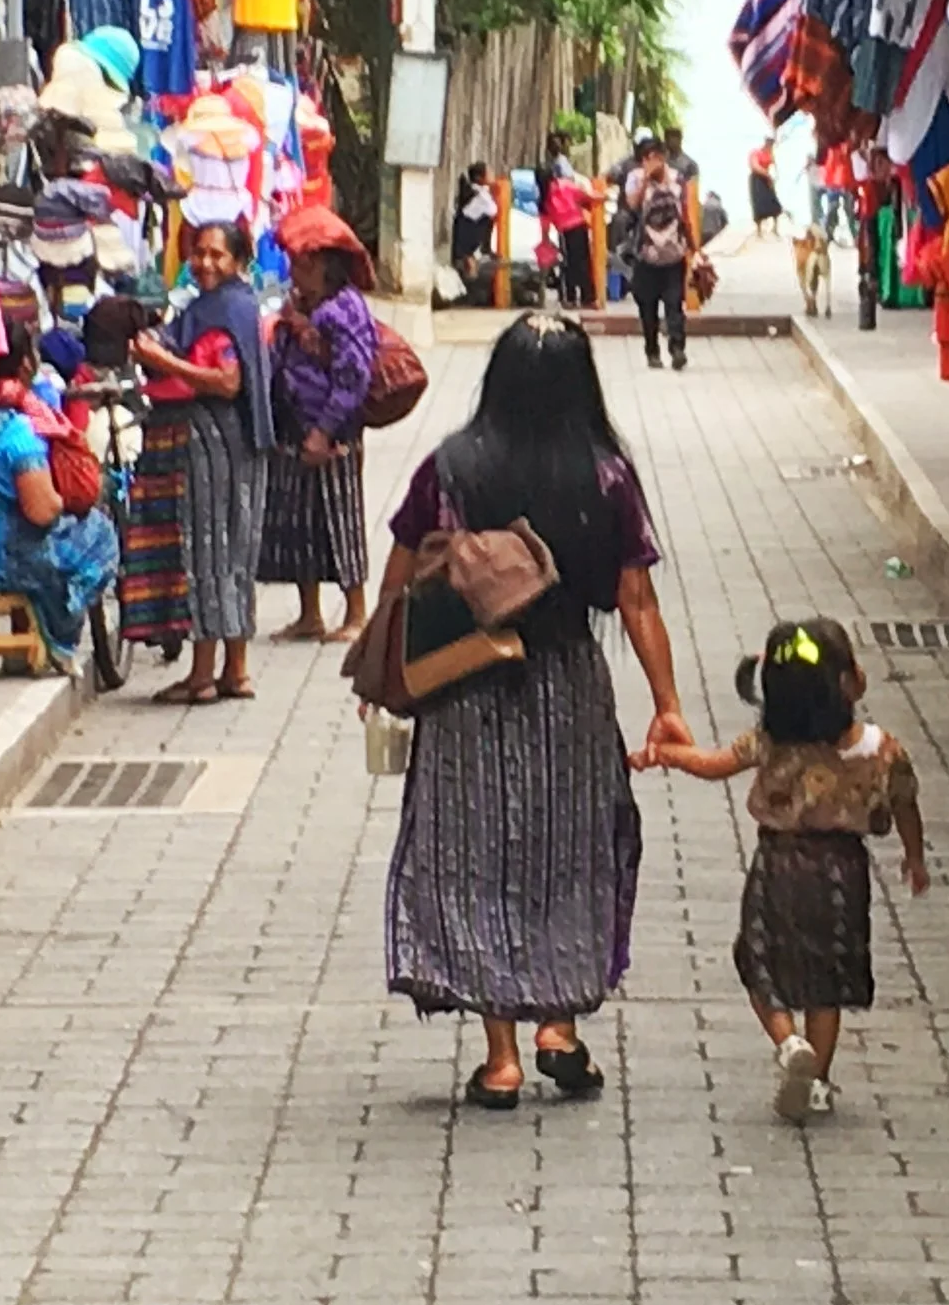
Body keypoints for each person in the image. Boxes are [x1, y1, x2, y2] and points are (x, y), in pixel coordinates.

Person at [381, 313, 690, 1108]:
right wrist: (667, 704)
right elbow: (636, 598)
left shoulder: (449, 468)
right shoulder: (606, 474)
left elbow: (399, 578)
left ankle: (502, 1058)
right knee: (570, 848)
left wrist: (387, 673)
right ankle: (559, 1025)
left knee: (477, 855)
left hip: (466, 688)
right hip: (568, 685)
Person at [642, 618, 927, 1121]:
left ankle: (789, 1042)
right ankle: (818, 1082)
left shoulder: (768, 741)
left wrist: (665, 754)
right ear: (851, 683)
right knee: (826, 980)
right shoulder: (881, 747)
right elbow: (906, 805)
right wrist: (915, 858)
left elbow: (711, 764)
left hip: (778, 863)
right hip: (843, 872)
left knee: (758, 959)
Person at [130, 220, 272, 702]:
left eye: (217, 254)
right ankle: (237, 671)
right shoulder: (235, 304)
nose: (205, 263)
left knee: (209, 549)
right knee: (236, 554)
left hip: (214, 440)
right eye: (199, 253)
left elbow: (228, 381)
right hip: (241, 443)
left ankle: (203, 676)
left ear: (238, 261)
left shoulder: (224, 308)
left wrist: (164, 362)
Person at [0, 325, 121, 669]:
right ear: (26, 364)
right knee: (101, 534)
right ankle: (60, 632)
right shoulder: (15, 433)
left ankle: (33, 635)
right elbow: (43, 511)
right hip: (9, 560)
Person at [262, 205, 377, 644]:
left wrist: (323, 430)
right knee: (300, 524)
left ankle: (357, 613)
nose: (293, 272)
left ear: (320, 266)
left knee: (341, 519)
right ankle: (310, 614)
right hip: (295, 426)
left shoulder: (343, 309)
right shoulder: (303, 305)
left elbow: (353, 377)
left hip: (332, 433)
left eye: (300, 264)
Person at [621, 135, 695, 371]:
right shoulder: (634, 178)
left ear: (663, 158)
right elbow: (633, 205)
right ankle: (652, 351)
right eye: (647, 158)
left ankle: (677, 349)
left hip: (673, 254)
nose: (652, 163)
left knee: (674, 305)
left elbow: (686, 213)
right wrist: (645, 179)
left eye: (656, 158)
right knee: (648, 308)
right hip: (647, 256)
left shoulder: (677, 179)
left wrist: (694, 248)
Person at [543, 163, 595, 307]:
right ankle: (587, 296)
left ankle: (570, 297)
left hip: (564, 230)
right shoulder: (566, 185)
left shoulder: (545, 196)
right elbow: (585, 197)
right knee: (583, 262)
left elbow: (547, 218)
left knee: (568, 264)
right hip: (578, 225)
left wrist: (545, 237)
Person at [749, 141, 783, 235]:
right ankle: (759, 230)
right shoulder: (755, 153)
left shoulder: (769, 153)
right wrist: (766, 174)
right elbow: (755, 166)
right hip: (757, 180)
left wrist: (772, 175)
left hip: (767, 179)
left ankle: (775, 228)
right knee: (758, 204)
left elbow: (774, 166)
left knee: (774, 203)